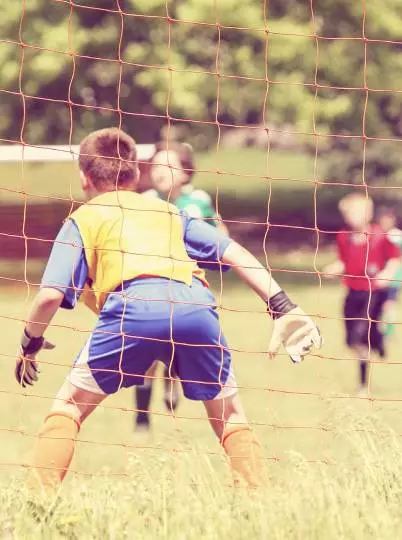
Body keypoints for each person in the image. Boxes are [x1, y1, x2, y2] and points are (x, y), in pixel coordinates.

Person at [16, 127, 322, 493]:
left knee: (68, 407)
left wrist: (29, 342)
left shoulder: (81, 219)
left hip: (132, 310)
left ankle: (35, 503)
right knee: (230, 416)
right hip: (194, 307)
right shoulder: (168, 212)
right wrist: (283, 306)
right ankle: (258, 502)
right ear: (135, 172)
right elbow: (234, 252)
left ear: (84, 178)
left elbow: (49, 295)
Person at [134, 140, 229, 431]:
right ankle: (142, 417)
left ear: (186, 172)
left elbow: (219, 235)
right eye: (156, 165)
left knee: (176, 349)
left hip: (187, 288)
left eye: (168, 165)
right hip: (151, 286)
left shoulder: (196, 201)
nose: (160, 171)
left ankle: (173, 386)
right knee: (147, 355)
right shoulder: (144, 201)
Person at [324, 193, 401, 397]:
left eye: (355, 212)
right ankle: (379, 338)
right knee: (350, 339)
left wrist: (387, 274)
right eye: (347, 213)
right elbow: (343, 261)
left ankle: (363, 385)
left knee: (361, 336)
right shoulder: (343, 236)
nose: (350, 217)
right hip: (352, 291)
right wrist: (334, 268)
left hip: (373, 292)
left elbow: (395, 259)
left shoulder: (379, 236)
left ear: (368, 214)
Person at [377, 207, 402, 337]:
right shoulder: (375, 234)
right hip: (378, 276)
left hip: (395, 276)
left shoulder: (398, 236)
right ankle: (378, 329)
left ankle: (389, 331)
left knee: (389, 303)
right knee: (378, 303)